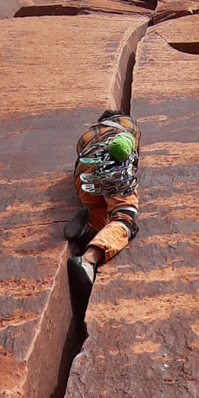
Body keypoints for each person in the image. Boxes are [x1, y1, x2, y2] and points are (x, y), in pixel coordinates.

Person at [64, 109, 140, 315]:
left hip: (84, 180)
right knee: (125, 218)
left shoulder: (86, 136)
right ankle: (88, 259)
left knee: (102, 214)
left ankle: (88, 226)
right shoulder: (128, 124)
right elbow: (131, 153)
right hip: (112, 171)